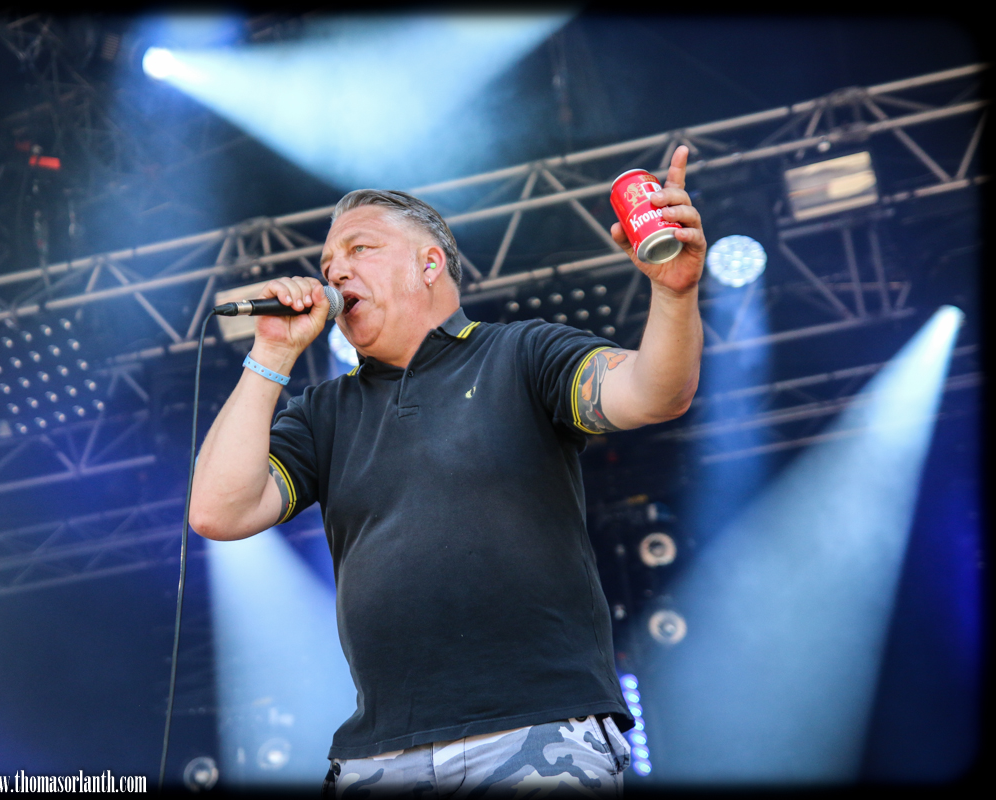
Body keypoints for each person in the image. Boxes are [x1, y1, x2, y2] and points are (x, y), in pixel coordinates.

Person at [189, 146, 705, 797]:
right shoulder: (324, 411)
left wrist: (674, 292)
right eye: (327, 264)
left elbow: (654, 394)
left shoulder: (522, 353)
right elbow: (218, 511)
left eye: (360, 248)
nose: (335, 270)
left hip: (538, 732)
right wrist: (270, 354)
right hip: (380, 753)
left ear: (429, 264)